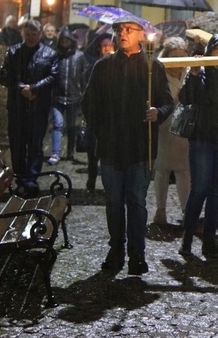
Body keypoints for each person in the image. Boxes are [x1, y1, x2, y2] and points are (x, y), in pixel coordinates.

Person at [81, 16, 174, 275]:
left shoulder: (152, 67)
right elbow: (88, 103)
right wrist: (101, 129)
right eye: (119, 30)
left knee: (136, 202)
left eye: (128, 30)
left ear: (140, 35)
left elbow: (167, 102)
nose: (122, 34)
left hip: (140, 149)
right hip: (111, 148)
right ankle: (116, 250)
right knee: (113, 202)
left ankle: (137, 254)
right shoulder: (103, 67)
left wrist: (158, 112)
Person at [177, 34, 218, 259]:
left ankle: (209, 239)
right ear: (210, 52)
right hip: (203, 139)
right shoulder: (200, 71)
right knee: (200, 189)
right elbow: (186, 98)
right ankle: (187, 237)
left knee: (217, 193)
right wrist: (194, 75)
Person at [0, 20, 58, 197]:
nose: (31, 38)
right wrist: (21, 88)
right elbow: (4, 76)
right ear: (23, 34)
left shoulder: (50, 53)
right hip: (17, 106)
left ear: (40, 34)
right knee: (17, 145)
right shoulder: (14, 52)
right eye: (28, 34)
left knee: (35, 145)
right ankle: (21, 179)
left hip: (38, 107)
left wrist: (34, 88)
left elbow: (54, 77)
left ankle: (31, 179)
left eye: (34, 34)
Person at [153, 37, 191, 225]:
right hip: (165, 126)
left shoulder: (189, 72)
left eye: (182, 57)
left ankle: (186, 211)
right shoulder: (159, 75)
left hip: (184, 128)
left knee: (184, 171)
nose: (179, 63)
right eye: (175, 58)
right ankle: (160, 209)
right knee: (162, 169)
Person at [47, 26, 87, 165]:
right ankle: (55, 153)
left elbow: (83, 76)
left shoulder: (79, 56)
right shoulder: (55, 55)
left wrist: (83, 94)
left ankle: (70, 152)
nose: (65, 43)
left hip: (74, 96)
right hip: (57, 96)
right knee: (58, 124)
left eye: (67, 41)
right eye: (62, 41)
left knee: (71, 127)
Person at [82, 32, 115, 192]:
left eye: (110, 45)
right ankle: (91, 181)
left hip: (110, 119)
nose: (107, 48)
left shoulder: (118, 66)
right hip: (96, 118)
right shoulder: (93, 67)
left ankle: (109, 184)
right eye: (105, 46)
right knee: (92, 154)